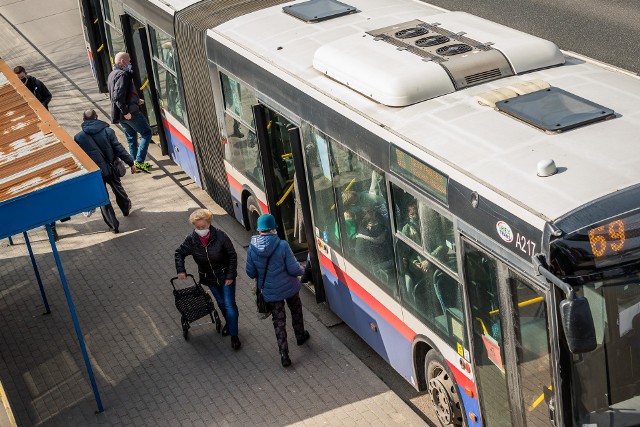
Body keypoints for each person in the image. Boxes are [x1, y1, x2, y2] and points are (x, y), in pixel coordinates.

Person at [246, 214, 310, 367]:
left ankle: (284, 354)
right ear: (273, 229)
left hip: (270, 292)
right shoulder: (282, 245)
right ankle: (300, 336)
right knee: (296, 311)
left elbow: (250, 273)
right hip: (290, 288)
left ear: (259, 230)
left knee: (279, 321)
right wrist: (305, 271)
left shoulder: (252, 248)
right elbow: (294, 268)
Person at [175, 209, 241, 350]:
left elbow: (232, 256)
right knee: (221, 303)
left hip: (225, 277)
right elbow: (179, 252)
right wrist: (181, 270)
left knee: (229, 305)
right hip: (209, 279)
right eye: (197, 227)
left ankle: (234, 335)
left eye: (203, 227)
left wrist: (230, 275)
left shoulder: (221, 237)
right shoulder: (191, 240)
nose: (200, 230)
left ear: (209, 224)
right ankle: (229, 324)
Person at [74, 109, 136, 233]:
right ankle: (125, 209)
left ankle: (113, 225)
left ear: (83, 120)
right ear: (97, 117)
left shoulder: (79, 138)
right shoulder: (108, 131)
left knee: (103, 198)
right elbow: (119, 149)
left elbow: (79, 159)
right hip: (111, 168)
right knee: (118, 190)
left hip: (95, 174)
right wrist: (130, 162)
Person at [107, 52, 153, 173]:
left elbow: (119, 95)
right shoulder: (123, 75)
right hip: (129, 113)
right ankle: (139, 162)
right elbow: (118, 96)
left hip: (119, 114)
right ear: (123, 61)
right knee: (147, 133)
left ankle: (134, 164)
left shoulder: (112, 74)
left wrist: (136, 101)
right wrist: (126, 111)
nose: (130, 64)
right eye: (129, 61)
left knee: (131, 137)